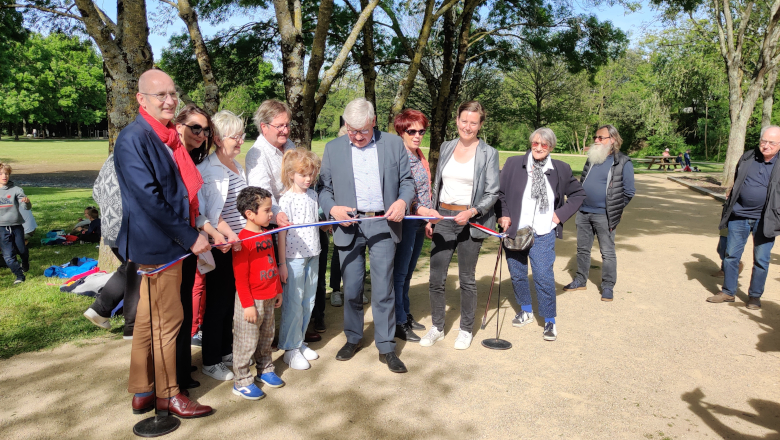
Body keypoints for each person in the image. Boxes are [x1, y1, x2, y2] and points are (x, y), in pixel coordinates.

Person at [114, 69, 212, 418]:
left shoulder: (167, 135)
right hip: (160, 245)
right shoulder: (134, 138)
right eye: (161, 96)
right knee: (167, 322)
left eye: (173, 94)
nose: (170, 101)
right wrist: (190, 237)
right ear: (142, 100)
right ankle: (169, 394)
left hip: (167, 241)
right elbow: (149, 198)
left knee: (146, 320)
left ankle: (143, 390)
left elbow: (177, 192)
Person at [318, 97, 415, 373]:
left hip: (383, 224)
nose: (357, 136)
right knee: (351, 287)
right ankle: (353, 337)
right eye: (351, 130)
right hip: (348, 225)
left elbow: (407, 182)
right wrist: (332, 208)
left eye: (363, 130)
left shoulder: (394, 144)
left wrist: (401, 202)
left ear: (373, 122)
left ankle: (386, 346)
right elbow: (323, 188)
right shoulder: (333, 148)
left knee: (383, 288)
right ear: (345, 125)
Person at [419, 101, 499, 350]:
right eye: (464, 120)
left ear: (480, 124)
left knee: (467, 279)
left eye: (473, 122)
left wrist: (472, 211)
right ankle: (437, 327)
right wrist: (432, 215)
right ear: (457, 120)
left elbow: (492, 192)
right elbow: (437, 184)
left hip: (470, 221)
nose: (468, 126)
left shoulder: (489, 153)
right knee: (436, 278)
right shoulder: (446, 146)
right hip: (443, 217)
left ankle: (465, 329)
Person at [497, 128, 585, 341]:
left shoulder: (561, 169)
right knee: (517, 273)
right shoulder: (513, 164)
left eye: (543, 145)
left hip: (544, 231)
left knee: (544, 277)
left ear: (551, 147)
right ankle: (526, 310)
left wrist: (559, 215)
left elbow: (578, 194)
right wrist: (504, 216)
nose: (538, 148)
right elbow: (500, 194)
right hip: (515, 229)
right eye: (535, 143)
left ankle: (549, 321)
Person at [196, 109, 248, 382]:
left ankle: (224, 349)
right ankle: (210, 359)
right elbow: (205, 213)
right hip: (222, 247)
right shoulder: (207, 169)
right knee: (217, 304)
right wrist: (223, 235)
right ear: (218, 138)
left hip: (241, 245)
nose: (240, 141)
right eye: (234, 137)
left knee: (231, 303)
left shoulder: (238, 166)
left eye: (241, 136)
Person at [707, 125, 780, 310]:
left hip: (766, 219)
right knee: (731, 256)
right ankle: (728, 292)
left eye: (771, 142)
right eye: (763, 141)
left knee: (761, 260)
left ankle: (754, 296)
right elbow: (738, 178)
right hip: (739, 215)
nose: (766, 146)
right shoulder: (748, 156)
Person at [563, 125, 635, 301]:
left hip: (605, 215)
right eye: (595, 137)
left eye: (600, 138)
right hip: (584, 212)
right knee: (582, 249)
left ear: (613, 140)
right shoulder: (592, 158)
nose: (596, 140)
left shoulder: (623, 162)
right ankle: (580, 280)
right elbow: (583, 181)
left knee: (607, 252)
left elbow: (629, 191)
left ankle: (608, 286)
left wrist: (616, 208)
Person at [391, 109, 442, 342]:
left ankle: (405, 313)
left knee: (408, 272)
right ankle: (398, 321)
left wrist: (428, 217)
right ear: (401, 131)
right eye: (412, 131)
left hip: (420, 220)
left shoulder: (419, 154)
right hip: (407, 220)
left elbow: (425, 190)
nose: (418, 135)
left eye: (421, 131)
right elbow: (403, 193)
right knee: (400, 274)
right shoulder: (398, 156)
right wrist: (423, 211)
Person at [231, 186, 284, 400]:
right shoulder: (242, 240)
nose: (270, 214)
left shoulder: (266, 233)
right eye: (267, 210)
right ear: (250, 214)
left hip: (270, 296)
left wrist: (278, 289)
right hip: (251, 302)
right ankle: (242, 380)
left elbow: (271, 263)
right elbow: (240, 276)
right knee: (246, 341)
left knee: (266, 336)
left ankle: (265, 369)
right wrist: (247, 304)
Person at [83, 155, 141, 340]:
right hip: (129, 225)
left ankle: (100, 309)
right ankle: (131, 326)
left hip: (110, 225)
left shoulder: (111, 158)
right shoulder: (139, 152)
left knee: (128, 269)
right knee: (136, 271)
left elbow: (96, 192)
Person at [277, 148, 323, 370]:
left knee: (308, 301)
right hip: (293, 258)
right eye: (303, 174)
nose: (308, 179)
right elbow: (282, 235)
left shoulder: (313, 196)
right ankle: (289, 347)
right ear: (291, 174)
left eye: (311, 174)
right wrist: (282, 263)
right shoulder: (285, 200)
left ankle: (300, 340)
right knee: (294, 303)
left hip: (313, 254)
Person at [245, 99, 293, 228]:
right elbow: (261, 191)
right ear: (264, 127)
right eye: (279, 126)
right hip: (276, 223)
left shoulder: (289, 145)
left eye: (287, 125)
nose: (285, 130)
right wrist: (277, 213)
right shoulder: (256, 154)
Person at [0, 163, 31, 284]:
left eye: (6, 173)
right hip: (1, 228)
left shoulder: (16, 190)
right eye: (1, 174)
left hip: (16, 226)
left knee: (22, 250)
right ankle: (19, 276)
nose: (4, 176)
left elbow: (26, 207)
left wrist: (26, 202)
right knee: (8, 255)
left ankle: (25, 262)